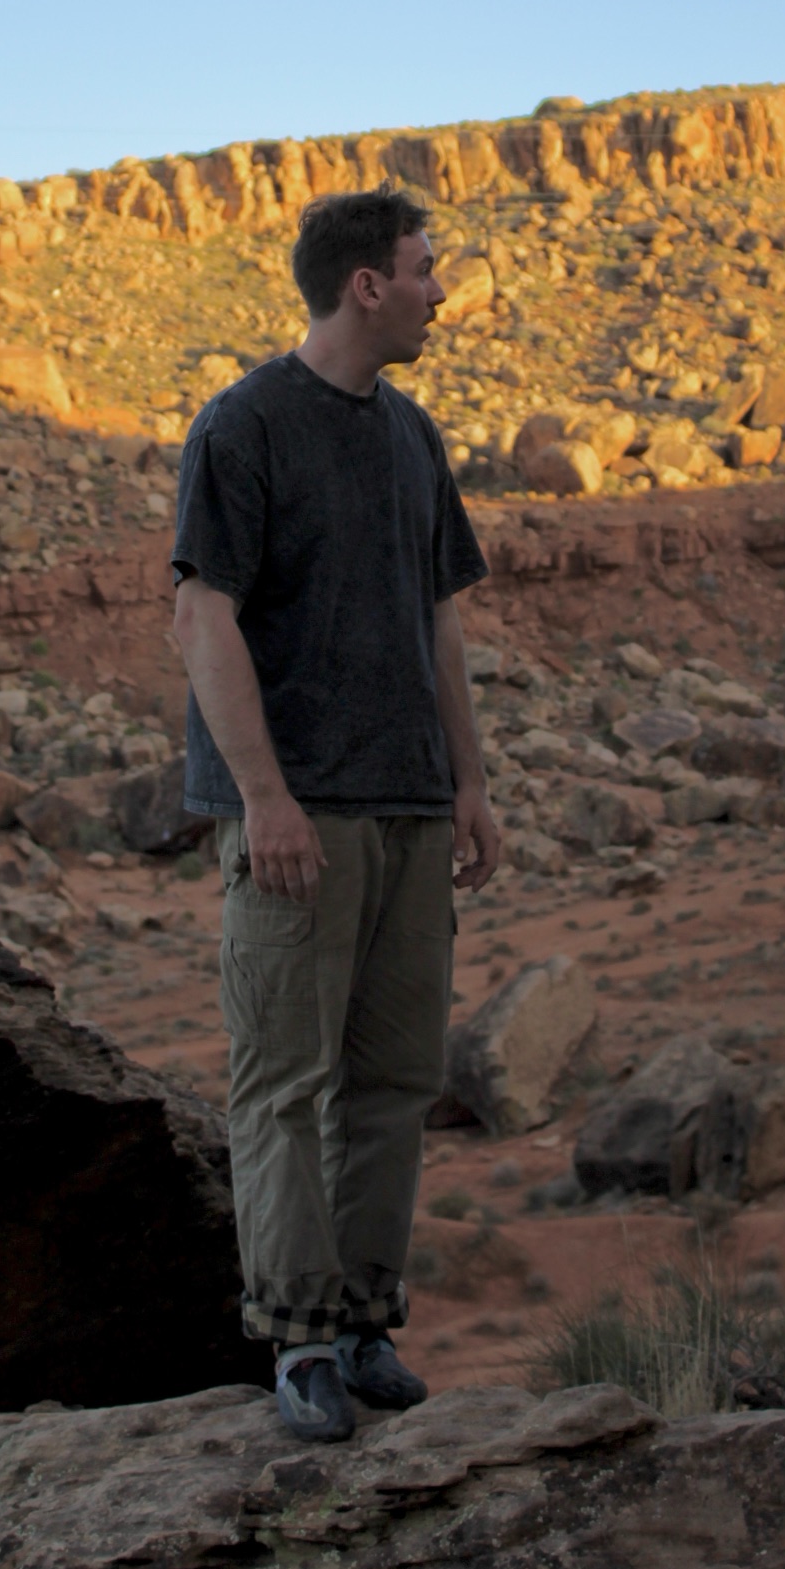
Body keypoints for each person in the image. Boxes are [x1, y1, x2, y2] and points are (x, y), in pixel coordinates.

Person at [171, 183, 499, 1443]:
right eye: (423, 268)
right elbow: (201, 615)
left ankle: (364, 1324)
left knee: (393, 1079)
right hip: (298, 817)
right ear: (367, 285)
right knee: (283, 1083)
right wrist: (263, 798)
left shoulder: (412, 436)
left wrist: (468, 782)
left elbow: (439, 619)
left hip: (408, 807)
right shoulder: (244, 425)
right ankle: (298, 1338)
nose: (437, 289)